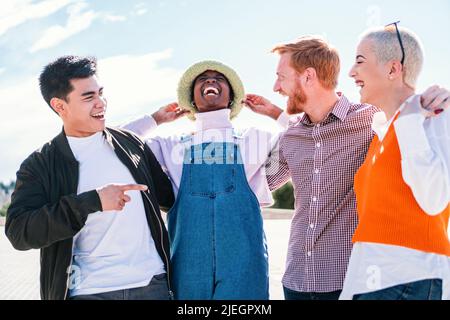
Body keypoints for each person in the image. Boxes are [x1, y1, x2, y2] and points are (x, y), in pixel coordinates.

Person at [243, 36, 449, 300]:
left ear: (308, 77)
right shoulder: (290, 137)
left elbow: (407, 112)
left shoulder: (370, 120)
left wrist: (436, 96)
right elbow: (258, 184)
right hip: (297, 279)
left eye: (281, 77)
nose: (275, 86)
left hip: (348, 277)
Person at [5, 56, 175, 300]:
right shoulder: (40, 165)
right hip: (88, 292)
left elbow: (171, 198)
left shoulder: (131, 144)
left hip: (153, 285)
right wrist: (91, 202)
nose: (101, 103)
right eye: (88, 97)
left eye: (101, 93)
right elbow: (19, 233)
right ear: (59, 106)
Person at [123, 60, 289, 300]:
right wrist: (156, 119)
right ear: (190, 98)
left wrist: (274, 112)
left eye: (219, 78)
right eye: (203, 79)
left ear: (232, 97)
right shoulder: (171, 145)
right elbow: (116, 142)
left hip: (244, 268)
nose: (211, 80)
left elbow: (307, 134)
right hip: (187, 267)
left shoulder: (255, 140)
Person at [340, 24, 450, 300]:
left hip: (411, 278)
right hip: (373, 281)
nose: (352, 72)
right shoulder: (382, 131)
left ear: (393, 70)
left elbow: (434, 199)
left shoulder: (435, 116)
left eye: (360, 62)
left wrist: (411, 120)